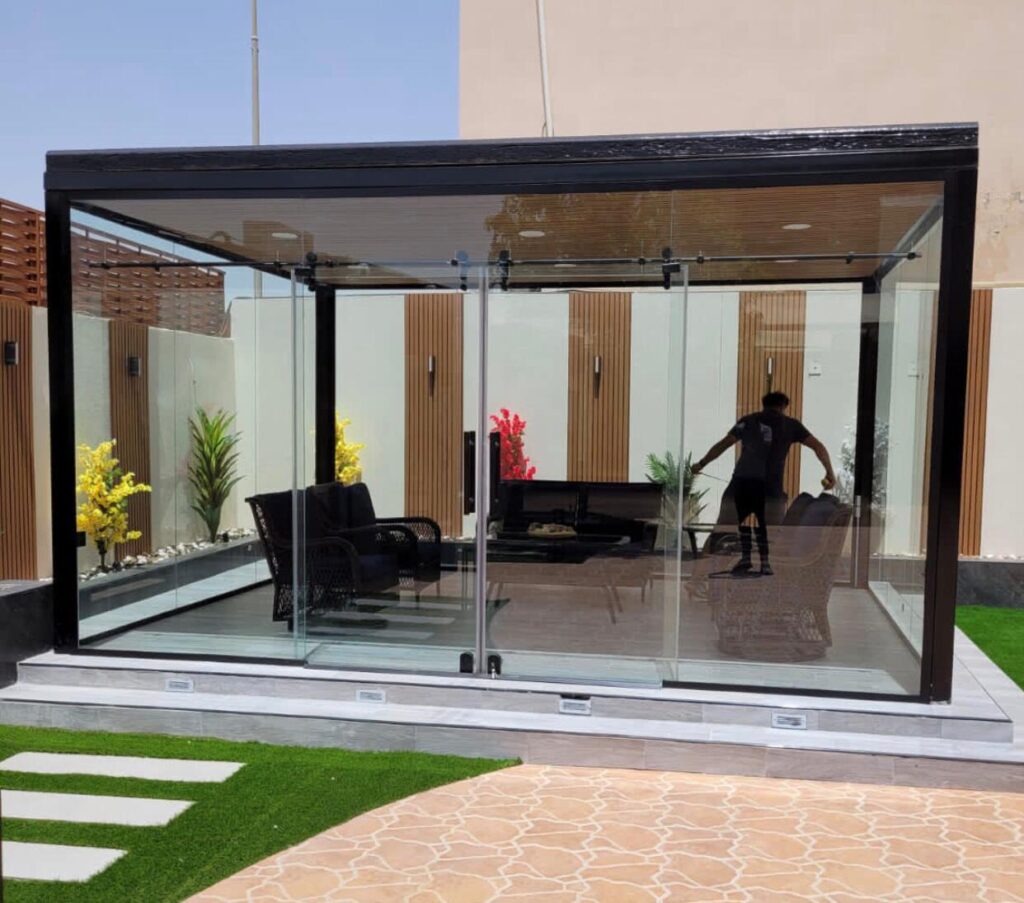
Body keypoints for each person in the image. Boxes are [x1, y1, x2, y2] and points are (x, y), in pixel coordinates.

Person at [692, 391, 836, 576]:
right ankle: (769, 580)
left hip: (740, 486)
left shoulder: (748, 421)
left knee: (720, 533)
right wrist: (829, 472)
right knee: (772, 538)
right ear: (784, 406)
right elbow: (818, 446)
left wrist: (701, 464)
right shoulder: (791, 425)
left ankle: (696, 578)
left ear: (764, 404)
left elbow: (723, 444)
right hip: (771, 491)